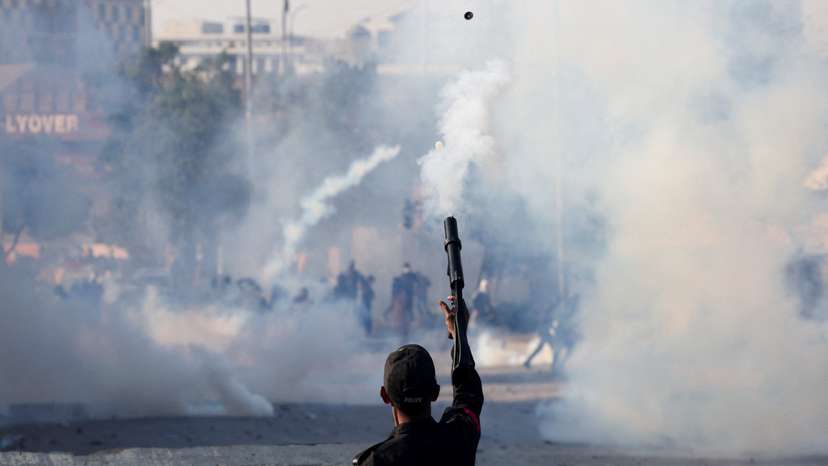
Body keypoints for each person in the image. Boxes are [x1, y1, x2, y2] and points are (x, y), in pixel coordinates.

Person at [353, 297, 483, 466]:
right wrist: (459, 336)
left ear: (385, 396)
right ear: (435, 393)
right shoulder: (461, 436)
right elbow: (468, 394)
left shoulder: (375, 460)